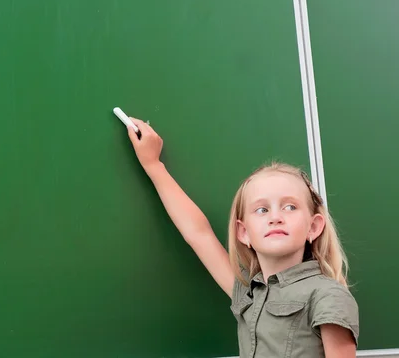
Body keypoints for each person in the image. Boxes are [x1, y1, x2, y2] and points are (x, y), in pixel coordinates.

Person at [125, 117, 359, 358]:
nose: (275, 217)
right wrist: (153, 165)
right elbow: (198, 234)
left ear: (314, 226)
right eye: (262, 210)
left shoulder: (328, 295)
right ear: (243, 232)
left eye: (289, 207)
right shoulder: (247, 292)